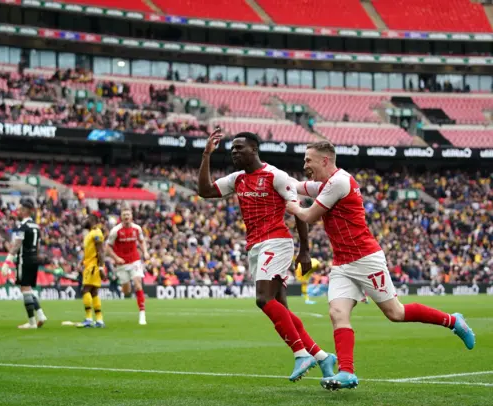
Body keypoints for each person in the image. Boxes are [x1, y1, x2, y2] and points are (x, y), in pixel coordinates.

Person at [287, 141, 476, 390]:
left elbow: (309, 216)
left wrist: (292, 206)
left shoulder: (339, 181)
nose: (304, 165)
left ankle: (453, 321)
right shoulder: (325, 185)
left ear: (324, 160)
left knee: (395, 313)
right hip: (342, 262)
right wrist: (274, 179)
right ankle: (347, 372)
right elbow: (296, 185)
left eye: (308, 160)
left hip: (365, 259)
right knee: (337, 313)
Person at [198, 130, 337, 382]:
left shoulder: (276, 175)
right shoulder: (237, 179)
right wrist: (207, 154)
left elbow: (298, 210)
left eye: (239, 148)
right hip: (255, 247)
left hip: (277, 241)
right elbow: (205, 191)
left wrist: (304, 250)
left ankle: (300, 354)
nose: (234, 153)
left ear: (254, 149)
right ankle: (322, 357)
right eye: (232, 150)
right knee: (280, 307)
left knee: (263, 299)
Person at [1, 198, 47, 329]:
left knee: (25, 289)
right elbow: (37, 246)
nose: (18, 211)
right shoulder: (36, 227)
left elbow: (16, 246)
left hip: (24, 260)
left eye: (20, 209)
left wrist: (7, 262)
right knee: (28, 289)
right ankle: (41, 314)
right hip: (34, 259)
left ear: (25, 211)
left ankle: (32, 322)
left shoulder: (23, 227)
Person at [106, 206, 149, 325]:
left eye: (128, 215)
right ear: (121, 217)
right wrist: (116, 258)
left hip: (135, 260)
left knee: (138, 284)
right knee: (126, 292)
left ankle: (142, 314)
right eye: (124, 215)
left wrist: (145, 252)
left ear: (131, 217)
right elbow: (108, 247)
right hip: (122, 263)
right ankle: (124, 287)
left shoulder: (137, 229)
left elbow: (142, 241)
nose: (126, 217)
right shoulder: (115, 231)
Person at [77, 212, 106, 328]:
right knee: (94, 292)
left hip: (93, 266)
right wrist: (81, 262)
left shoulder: (96, 233)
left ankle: (89, 319)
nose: (84, 221)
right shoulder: (90, 234)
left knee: (85, 290)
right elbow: (89, 251)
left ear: (92, 220)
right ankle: (99, 320)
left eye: (86, 219)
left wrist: (101, 267)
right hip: (89, 265)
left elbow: (101, 251)